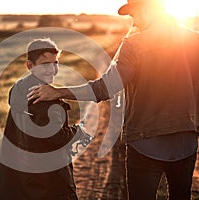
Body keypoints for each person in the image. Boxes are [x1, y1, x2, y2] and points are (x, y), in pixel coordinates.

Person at [27, 1, 199, 199]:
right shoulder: (195, 40)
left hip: (145, 143)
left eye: (134, 14)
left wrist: (59, 92)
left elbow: (105, 88)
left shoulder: (134, 44)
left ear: (147, 9)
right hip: (186, 143)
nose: (134, 21)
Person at [0, 38, 87, 200]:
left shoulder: (19, 88)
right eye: (45, 64)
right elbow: (56, 137)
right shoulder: (45, 98)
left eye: (55, 63)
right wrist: (77, 132)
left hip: (22, 173)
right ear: (30, 65)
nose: (52, 69)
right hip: (48, 179)